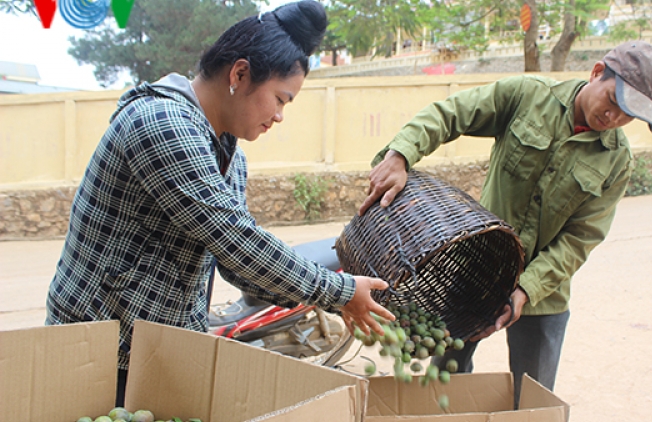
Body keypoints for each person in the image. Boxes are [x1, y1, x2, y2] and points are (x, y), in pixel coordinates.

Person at [46, 0, 393, 406]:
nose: (280, 116)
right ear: (240, 74)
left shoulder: (229, 154)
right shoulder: (160, 123)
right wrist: (338, 291)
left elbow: (237, 266)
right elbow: (235, 239)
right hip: (98, 348)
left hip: (160, 346)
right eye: (280, 100)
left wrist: (331, 298)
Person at [358, 40, 652, 406]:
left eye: (628, 115)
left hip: (543, 295)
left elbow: (580, 239)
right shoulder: (527, 95)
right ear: (598, 72)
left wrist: (525, 289)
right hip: (476, 269)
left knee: (533, 403)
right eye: (614, 102)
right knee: (443, 383)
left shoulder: (616, 161)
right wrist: (400, 154)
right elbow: (449, 114)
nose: (614, 118)